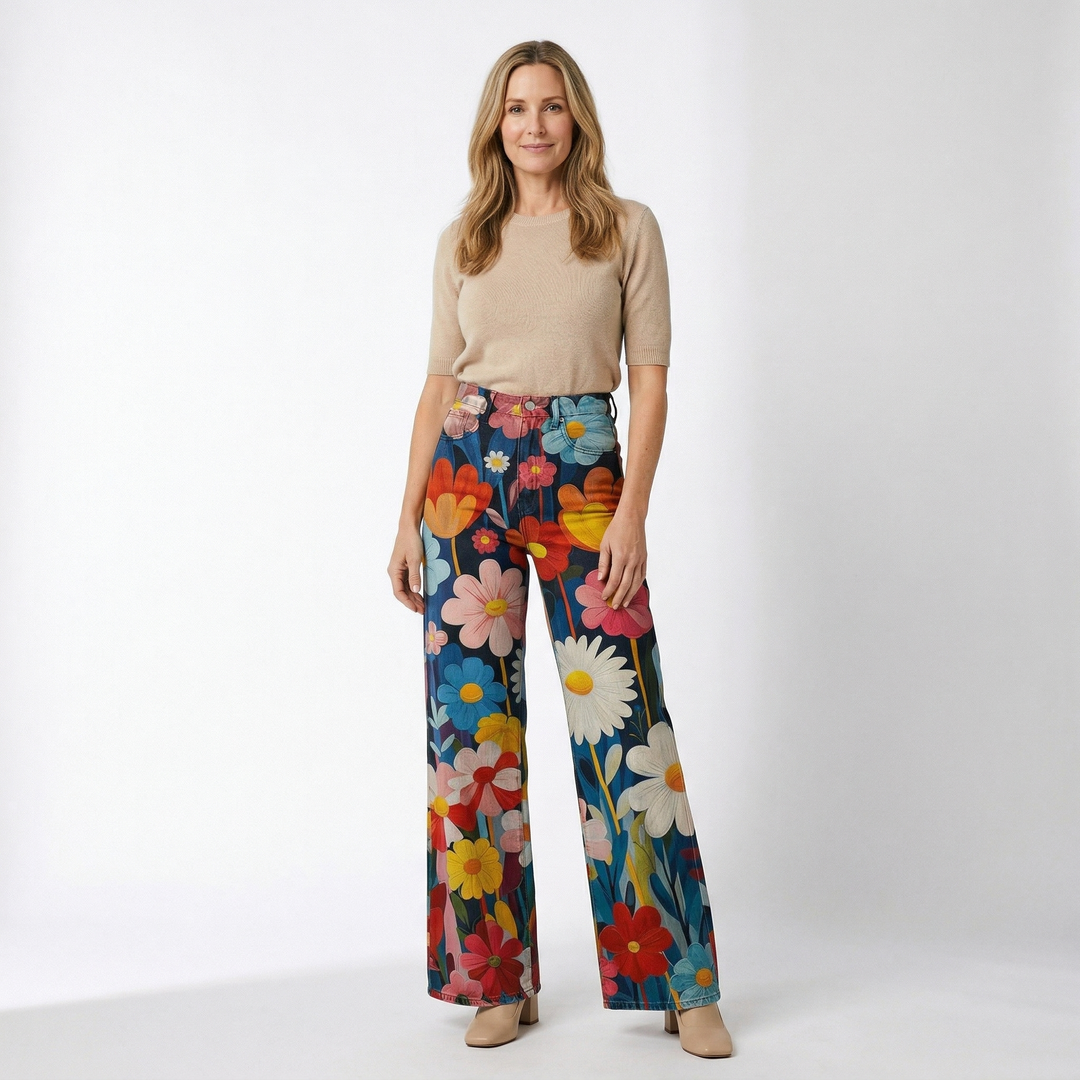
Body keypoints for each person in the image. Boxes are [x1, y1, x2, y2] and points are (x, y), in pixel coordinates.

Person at [387, 40, 733, 1059]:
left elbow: (652, 382)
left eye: (549, 106)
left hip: (584, 474)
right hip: (465, 481)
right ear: (494, 126)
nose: (532, 124)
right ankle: (496, 979)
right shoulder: (465, 238)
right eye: (515, 108)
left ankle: (681, 980)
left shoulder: (625, 228)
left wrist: (632, 513)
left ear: (576, 117)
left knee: (625, 730)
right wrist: (406, 519)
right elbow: (437, 387)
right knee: (472, 744)